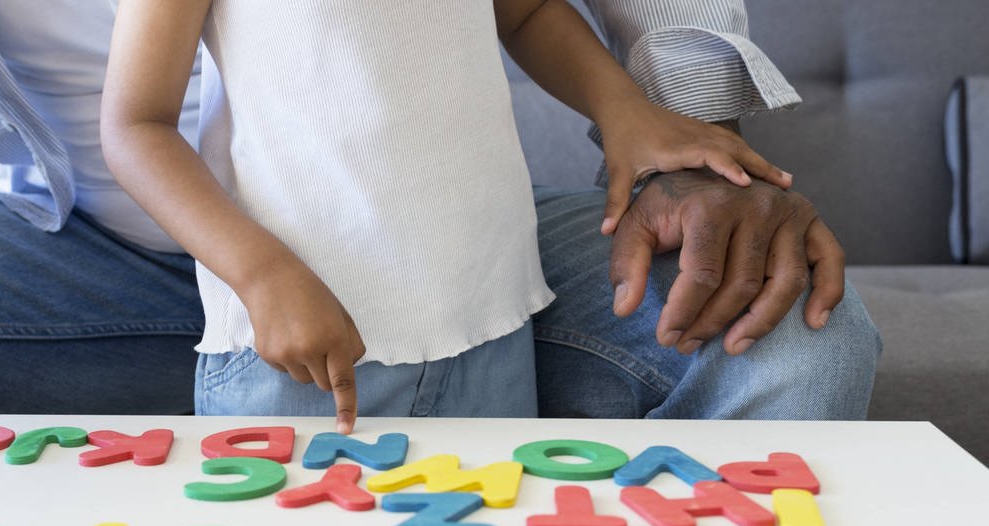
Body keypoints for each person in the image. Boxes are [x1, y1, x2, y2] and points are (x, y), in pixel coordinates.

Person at [0, 1, 880, 421]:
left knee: (794, 337)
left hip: (450, 233)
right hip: (81, 256)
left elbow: (532, 10)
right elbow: (133, 122)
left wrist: (665, 137)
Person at [101, 0, 794, 433]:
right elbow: (136, 125)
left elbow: (523, 12)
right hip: (302, 351)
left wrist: (624, 109)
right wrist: (259, 275)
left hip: (487, 327)